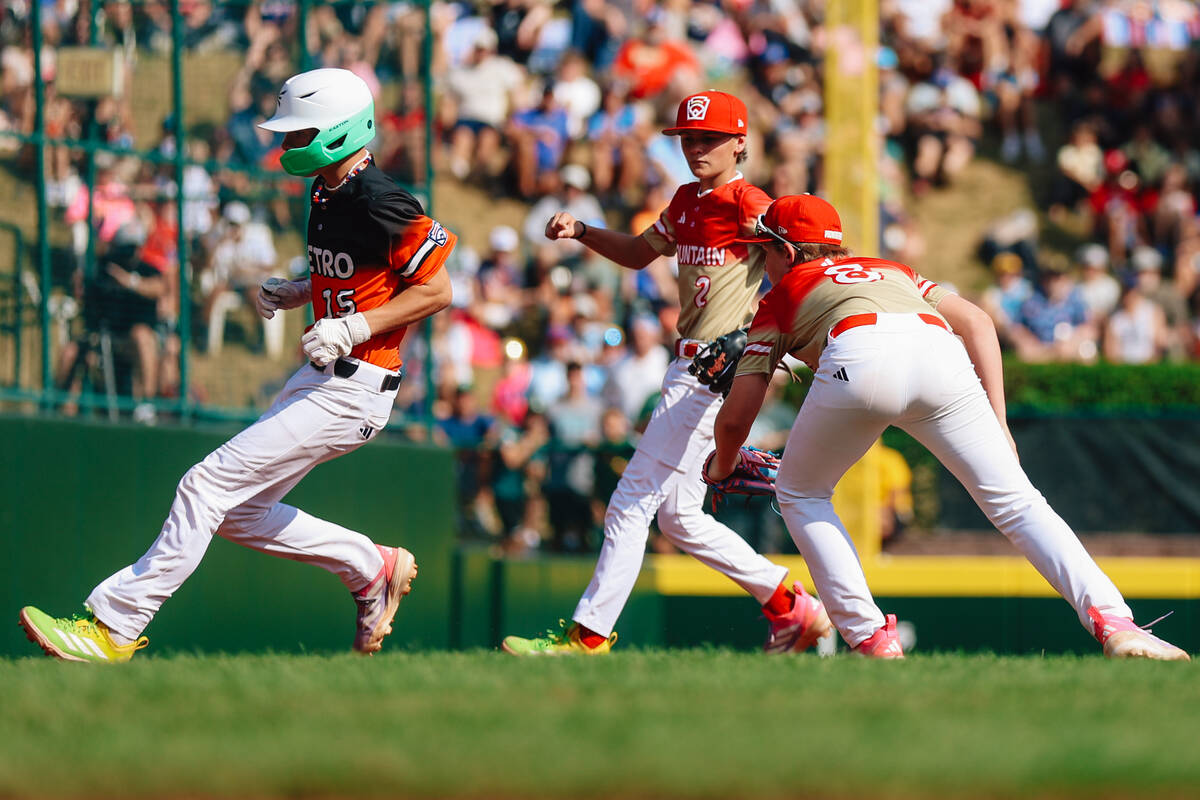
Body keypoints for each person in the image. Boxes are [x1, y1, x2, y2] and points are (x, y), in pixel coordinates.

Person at [19, 68, 457, 663]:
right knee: (239, 513)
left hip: (357, 385)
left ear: (338, 130)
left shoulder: (382, 198)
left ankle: (115, 626)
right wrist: (303, 291)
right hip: (325, 376)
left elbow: (436, 291)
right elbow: (365, 276)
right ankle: (369, 566)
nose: (287, 144)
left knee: (206, 483)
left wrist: (352, 326)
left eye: (299, 132)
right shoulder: (328, 189)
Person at [706, 193, 1188, 661]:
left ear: (786, 251)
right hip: (940, 353)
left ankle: (871, 639)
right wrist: (999, 422)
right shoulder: (892, 269)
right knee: (1018, 503)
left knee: (801, 494)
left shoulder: (781, 295)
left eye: (763, 250)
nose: (760, 263)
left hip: (857, 354)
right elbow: (977, 321)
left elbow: (735, 418)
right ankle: (1116, 624)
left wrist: (722, 466)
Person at [501, 91, 831, 656]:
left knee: (630, 501)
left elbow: (801, 258)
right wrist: (583, 231)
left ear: (740, 143)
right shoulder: (685, 200)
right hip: (691, 362)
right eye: (689, 138)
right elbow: (635, 254)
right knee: (678, 518)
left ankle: (587, 636)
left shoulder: (748, 201)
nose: (697, 147)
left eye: (710, 138)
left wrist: (770, 342)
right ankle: (788, 604)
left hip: (714, 367)